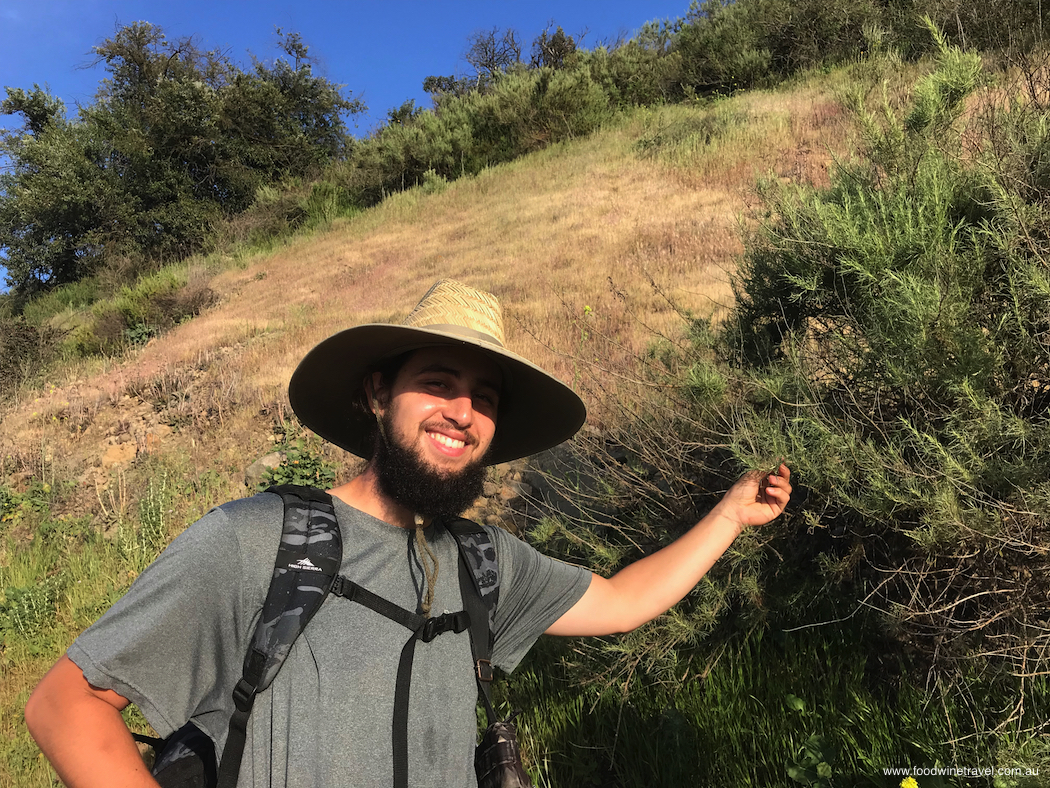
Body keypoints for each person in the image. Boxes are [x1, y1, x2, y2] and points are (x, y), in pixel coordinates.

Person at [25, 279, 792, 788]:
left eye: (484, 396)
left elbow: (624, 601)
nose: (464, 411)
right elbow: (66, 705)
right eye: (439, 382)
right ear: (376, 393)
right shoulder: (259, 540)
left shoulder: (485, 562)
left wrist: (729, 515)